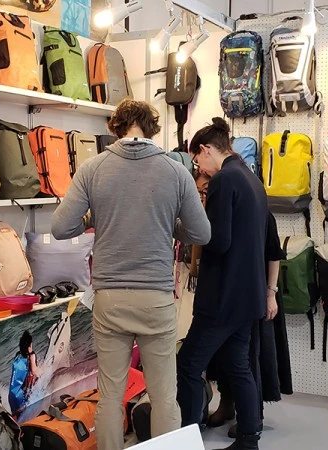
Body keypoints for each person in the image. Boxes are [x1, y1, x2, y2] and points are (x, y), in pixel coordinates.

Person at [51, 99, 211, 450]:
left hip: (110, 298)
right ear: (151, 128)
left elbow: (61, 227)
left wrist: (94, 218)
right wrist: (171, 226)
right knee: (164, 396)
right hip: (156, 299)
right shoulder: (175, 171)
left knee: (110, 395)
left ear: (116, 127)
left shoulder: (93, 168)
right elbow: (201, 233)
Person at [176, 117, 269, 450]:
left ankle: (186, 441)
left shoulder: (224, 180)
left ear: (205, 150)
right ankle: (248, 439)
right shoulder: (251, 179)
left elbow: (218, 241)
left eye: (197, 161)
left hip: (222, 297)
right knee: (238, 366)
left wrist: (187, 228)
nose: (199, 170)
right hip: (248, 295)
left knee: (188, 366)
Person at [207, 212, 288, 438]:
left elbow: (274, 254)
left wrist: (270, 293)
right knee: (224, 352)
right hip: (229, 293)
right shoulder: (223, 210)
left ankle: (254, 416)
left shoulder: (263, 213)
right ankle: (226, 404)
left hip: (257, 293)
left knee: (253, 356)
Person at [9, 330, 41, 418]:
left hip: (12, 397)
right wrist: (46, 370)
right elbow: (35, 371)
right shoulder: (31, 355)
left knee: (18, 417)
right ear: (29, 346)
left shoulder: (17, 356)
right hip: (23, 397)